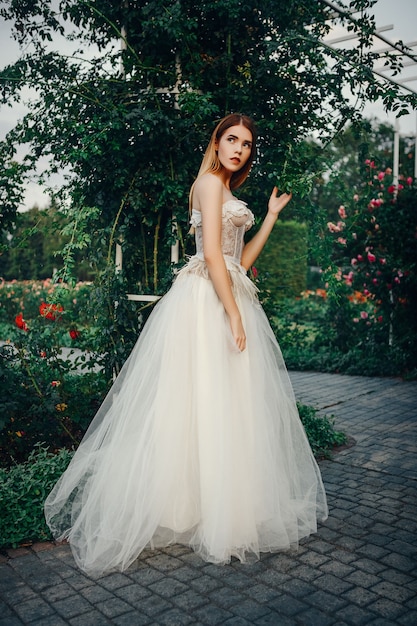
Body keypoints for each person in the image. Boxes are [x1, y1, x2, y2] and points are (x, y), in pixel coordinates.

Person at [45, 113, 328, 576]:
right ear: (216, 143)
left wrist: (272, 217)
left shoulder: (227, 191)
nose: (239, 148)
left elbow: (240, 259)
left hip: (229, 290)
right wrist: (232, 312)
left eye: (247, 144)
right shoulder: (209, 185)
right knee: (199, 399)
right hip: (206, 302)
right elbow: (212, 255)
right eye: (231, 139)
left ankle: (223, 505)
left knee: (229, 403)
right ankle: (189, 507)